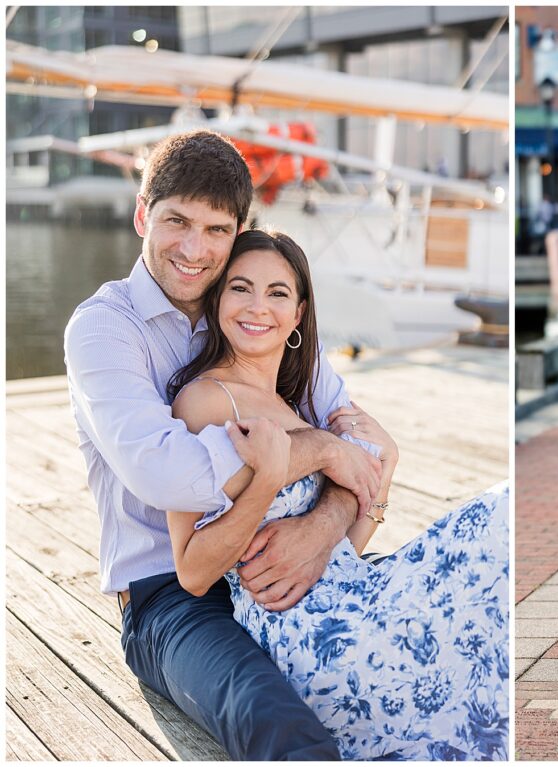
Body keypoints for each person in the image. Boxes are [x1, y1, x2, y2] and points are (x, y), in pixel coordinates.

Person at [65, 130, 385, 759]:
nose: (193, 248)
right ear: (141, 216)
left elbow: (367, 441)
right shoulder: (104, 329)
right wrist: (316, 453)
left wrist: (326, 526)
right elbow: (163, 474)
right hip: (170, 597)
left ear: (239, 232)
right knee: (281, 730)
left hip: (281, 562)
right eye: (176, 221)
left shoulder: (252, 308)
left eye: (216, 230)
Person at [165, 229, 509, 760]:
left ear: (298, 314)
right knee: (500, 519)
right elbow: (191, 570)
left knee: (498, 538)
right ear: (218, 300)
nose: (258, 307)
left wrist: (385, 471)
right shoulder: (205, 400)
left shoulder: (297, 406)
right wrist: (286, 471)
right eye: (241, 288)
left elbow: (343, 545)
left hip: (359, 590)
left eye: (278, 293)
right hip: (304, 633)